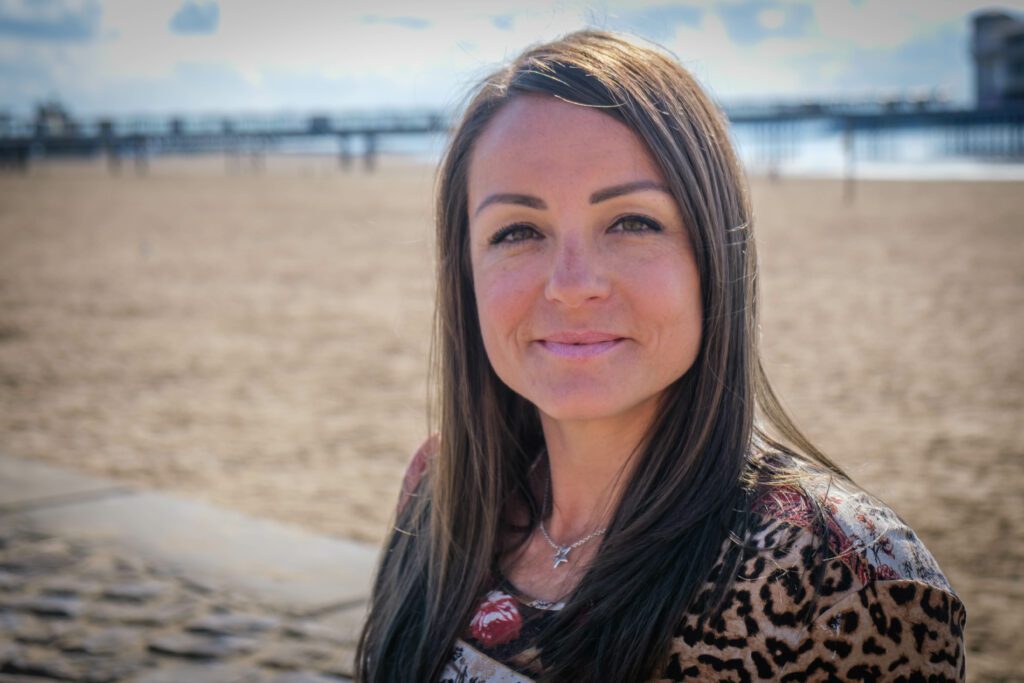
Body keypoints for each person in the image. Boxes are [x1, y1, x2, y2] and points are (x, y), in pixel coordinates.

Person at [356, 30, 966, 682]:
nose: (572, 283)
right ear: (465, 274)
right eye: (518, 231)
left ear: (713, 252)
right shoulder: (439, 493)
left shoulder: (845, 583)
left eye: (631, 222)